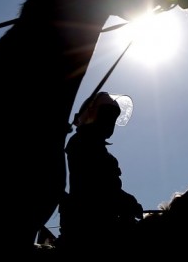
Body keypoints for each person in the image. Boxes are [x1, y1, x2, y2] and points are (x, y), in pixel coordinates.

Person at [58, 91, 144, 250]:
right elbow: (98, 187)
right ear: (93, 116)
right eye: (107, 115)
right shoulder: (83, 143)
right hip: (90, 230)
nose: (110, 122)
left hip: (102, 223)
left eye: (113, 117)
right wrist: (129, 202)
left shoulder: (94, 147)